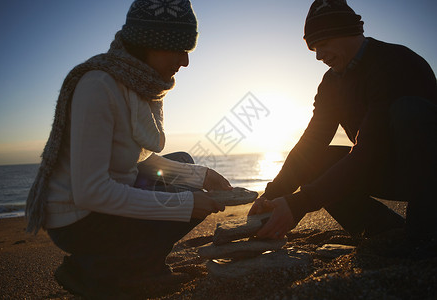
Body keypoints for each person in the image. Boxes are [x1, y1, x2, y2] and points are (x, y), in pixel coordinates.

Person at [25, 0, 232, 297]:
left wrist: (201, 177)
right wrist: (185, 204)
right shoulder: (98, 86)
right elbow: (91, 192)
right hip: (78, 220)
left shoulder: (139, 83)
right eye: (179, 48)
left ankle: (133, 263)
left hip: (102, 206)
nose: (185, 61)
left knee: (187, 168)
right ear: (150, 42)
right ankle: (98, 269)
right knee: (187, 198)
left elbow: (138, 161)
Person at [249, 0, 437, 246]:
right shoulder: (331, 83)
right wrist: (272, 197)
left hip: (425, 171)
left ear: (349, 32)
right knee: (313, 162)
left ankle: (423, 234)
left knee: (409, 111)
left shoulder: (396, 61)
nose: (318, 56)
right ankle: (383, 231)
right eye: (314, 48)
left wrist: (299, 205)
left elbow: (370, 148)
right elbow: (311, 143)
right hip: (384, 169)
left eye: (323, 44)